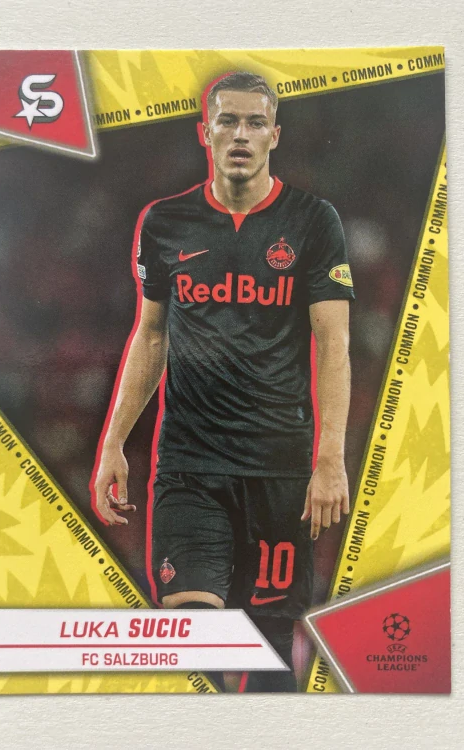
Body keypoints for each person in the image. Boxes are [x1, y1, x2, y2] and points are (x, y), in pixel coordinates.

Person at [93, 72, 354, 692]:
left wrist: (329, 458)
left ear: (274, 136)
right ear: (204, 132)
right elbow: (150, 336)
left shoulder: (313, 221)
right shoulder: (164, 223)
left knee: (268, 661)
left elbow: (334, 343)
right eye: (228, 121)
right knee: (193, 638)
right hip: (190, 467)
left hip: (279, 472)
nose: (241, 134)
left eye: (255, 122)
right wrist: (113, 443)